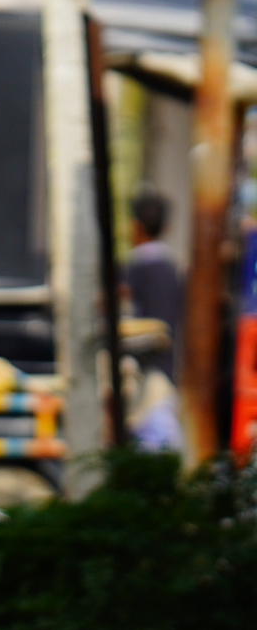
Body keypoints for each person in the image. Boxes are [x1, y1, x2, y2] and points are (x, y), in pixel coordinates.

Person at [123, 187, 184, 450]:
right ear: (167, 226)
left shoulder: (134, 268)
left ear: (134, 227)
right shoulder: (173, 269)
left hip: (144, 371)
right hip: (167, 367)